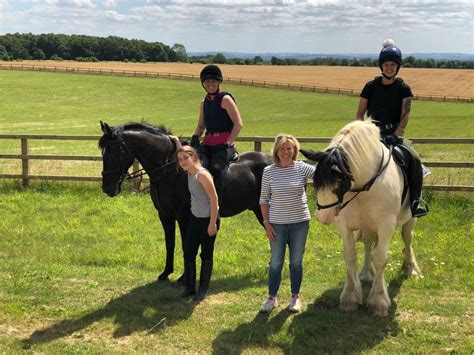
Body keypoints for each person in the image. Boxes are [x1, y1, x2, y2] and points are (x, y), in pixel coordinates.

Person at [356, 39, 429, 218]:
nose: (389, 67)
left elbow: (405, 114)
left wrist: (396, 135)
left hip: (394, 134)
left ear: (398, 67)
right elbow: (359, 114)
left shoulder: (403, 88)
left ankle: (415, 201)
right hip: (372, 134)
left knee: (414, 159)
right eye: (386, 64)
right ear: (381, 66)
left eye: (393, 64)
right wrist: (365, 133)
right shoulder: (370, 87)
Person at [259, 134, 315, 313]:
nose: (286, 152)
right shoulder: (269, 171)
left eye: (289, 148)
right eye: (282, 148)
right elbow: (264, 199)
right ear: (276, 151)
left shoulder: (301, 168)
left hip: (300, 223)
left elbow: (322, 174)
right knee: (276, 262)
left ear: (295, 150)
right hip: (277, 224)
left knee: (296, 262)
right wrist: (266, 223)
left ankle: (295, 298)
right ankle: (271, 298)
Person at [171, 138, 219, 301]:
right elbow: (182, 151)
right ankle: (190, 287)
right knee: (189, 252)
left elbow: (214, 199)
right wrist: (177, 142)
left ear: (195, 157)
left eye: (186, 158)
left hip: (208, 220)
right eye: (180, 160)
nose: (183, 161)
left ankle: (203, 289)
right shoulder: (189, 172)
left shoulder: (202, 175)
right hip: (195, 218)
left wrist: (212, 223)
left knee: (206, 254)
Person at [190, 64, 243, 205]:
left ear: (219, 82)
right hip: (208, 144)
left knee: (216, 169)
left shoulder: (225, 99)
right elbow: (201, 126)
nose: (210, 84)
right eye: (207, 81)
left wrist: (229, 142)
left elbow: (238, 124)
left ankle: (216, 204)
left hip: (224, 145)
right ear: (203, 83)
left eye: (213, 81)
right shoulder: (204, 103)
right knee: (195, 166)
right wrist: (194, 138)